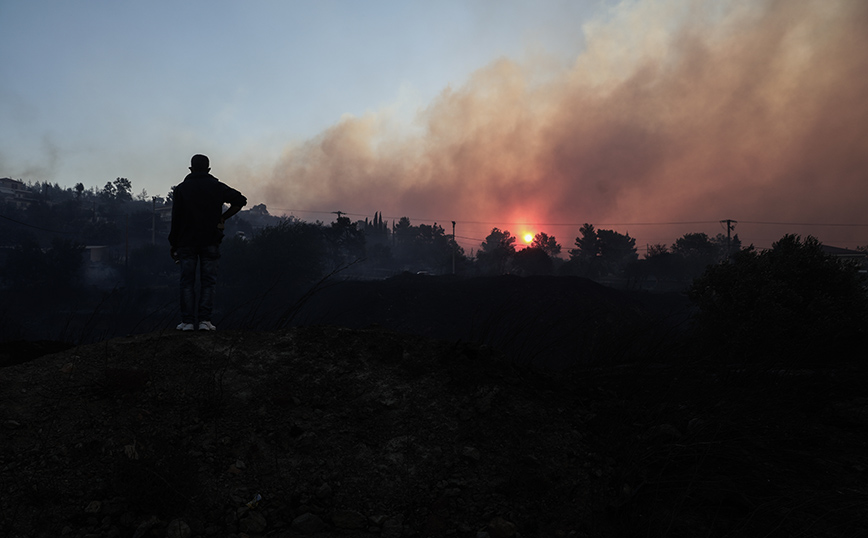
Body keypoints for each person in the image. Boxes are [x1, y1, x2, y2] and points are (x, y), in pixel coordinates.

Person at [169, 154, 247, 331]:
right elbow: (240, 200)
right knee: (208, 281)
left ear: (191, 169)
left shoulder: (181, 189)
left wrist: (173, 243)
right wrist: (223, 218)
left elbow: (176, 219)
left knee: (186, 282)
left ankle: (187, 322)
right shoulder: (216, 187)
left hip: (186, 242)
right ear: (209, 169)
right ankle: (205, 321)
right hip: (210, 240)